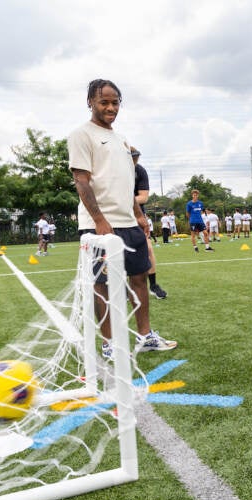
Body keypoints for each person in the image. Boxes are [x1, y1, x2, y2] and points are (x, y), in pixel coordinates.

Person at [69, 78, 176, 354]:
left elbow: (126, 182)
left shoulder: (121, 139)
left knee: (140, 278)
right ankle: (109, 344)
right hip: (99, 228)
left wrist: (139, 215)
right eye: (103, 101)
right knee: (102, 285)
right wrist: (100, 221)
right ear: (90, 102)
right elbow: (82, 181)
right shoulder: (82, 135)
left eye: (115, 102)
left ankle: (145, 337)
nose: (110, 107)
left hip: (129, 223)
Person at [132, 146, 166, 298]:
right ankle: (126, 287)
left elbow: (143, 197)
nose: (135, 162)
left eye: (136, 158)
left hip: (137, 214)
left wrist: (121, 200)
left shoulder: (140, 171)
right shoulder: (113, 171)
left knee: (148, 249)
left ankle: (153, 285)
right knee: (118, 252)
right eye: (132, 158)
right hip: (115, 215)